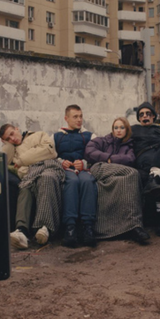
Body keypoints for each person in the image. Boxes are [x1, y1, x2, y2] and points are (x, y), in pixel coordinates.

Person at [84, 117, 151, 245]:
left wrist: (111, 160)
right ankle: (136, 226)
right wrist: (107, 158)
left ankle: (131, 226)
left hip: (116, 173)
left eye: (122, 128)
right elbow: (89, 150)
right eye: (116, 128)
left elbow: (130, 159)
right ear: (112, 129)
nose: (118, 130)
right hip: (99, 168)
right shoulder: (103, 140)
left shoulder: (129, 146)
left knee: (126, 181)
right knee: (133, 173)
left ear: (127, 130)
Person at [0, 124, 63, 250]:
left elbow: (49, 151)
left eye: (12, 134)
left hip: (48, 166)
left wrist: (22, 160)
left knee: (46, 179)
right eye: (8, 139)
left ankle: (44, 228)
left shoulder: (38, 135)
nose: (13, 139)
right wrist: (7, 145)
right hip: (30, 174)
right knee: (25, 187)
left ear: (17, 129)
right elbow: (2, 162)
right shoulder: (13, 150)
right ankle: (21, 231)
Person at [130, 102, 160, 237]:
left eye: (148, 113)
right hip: (143, 162)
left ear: (153, 116)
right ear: (139, 118)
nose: (145, 116)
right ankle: (154, 178)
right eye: (141, 114)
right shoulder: (133, 130)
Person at [54, 105, 98, 248]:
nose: (79, 120)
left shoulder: (89, 136)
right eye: (75, 117)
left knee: (87, 181)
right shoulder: (56, 136)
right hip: (66, 171)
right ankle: (70, 228)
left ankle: (88, 228)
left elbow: (96, 154)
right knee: (71, 182)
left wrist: (84, 163)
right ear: (66, 118)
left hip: (83, 169)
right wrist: (61, 162)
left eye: (80, 116)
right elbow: (50, 156)